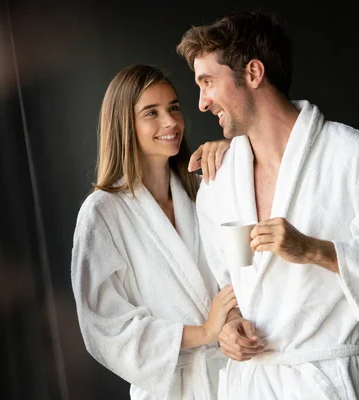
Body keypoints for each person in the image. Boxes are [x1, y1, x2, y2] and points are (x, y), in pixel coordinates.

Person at [177, 11, 359, 399]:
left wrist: (315, 250)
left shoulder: (355, 157)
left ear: (252, 73)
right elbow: (228, 285)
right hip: (250, 385)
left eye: (208, 82)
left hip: (327, 382)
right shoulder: (217, 183)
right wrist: (230, 325)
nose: (201, 103)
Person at [71, 64, 236, 400]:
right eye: (152, 113)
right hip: (172, 390)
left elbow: (244, 266)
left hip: (234, 377)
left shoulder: (203, 190)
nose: (171, 122)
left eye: (174, 108)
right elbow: (104, 326)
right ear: (124, 124)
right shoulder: (102, 212)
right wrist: (204, 331)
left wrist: (235, 158)